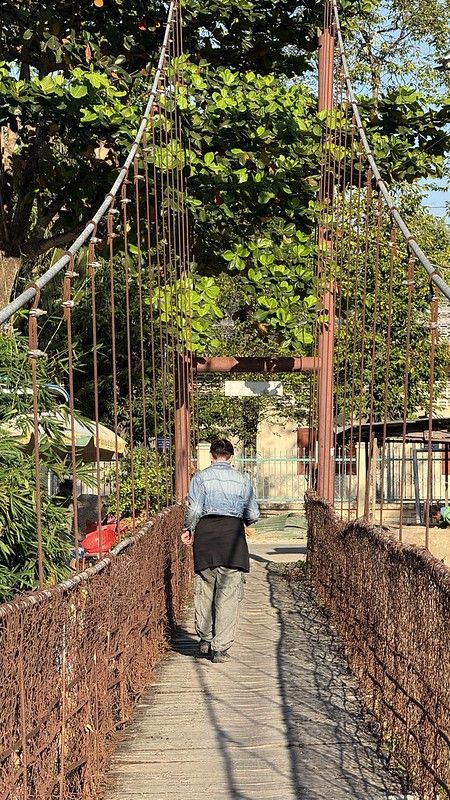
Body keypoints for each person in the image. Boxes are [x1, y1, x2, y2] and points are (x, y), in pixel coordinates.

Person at [181, 438, 260, 663]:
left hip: (205, 536)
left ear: (212, 455)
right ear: (231, 456)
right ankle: (220, 648)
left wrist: (188, 529)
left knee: (205, 588)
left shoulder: (200, 478)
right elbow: (253, 515)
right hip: (232, 537)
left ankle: (205, 640)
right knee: (228, 594)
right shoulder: (242, 480)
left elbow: (195, 509)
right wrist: (240, 518)